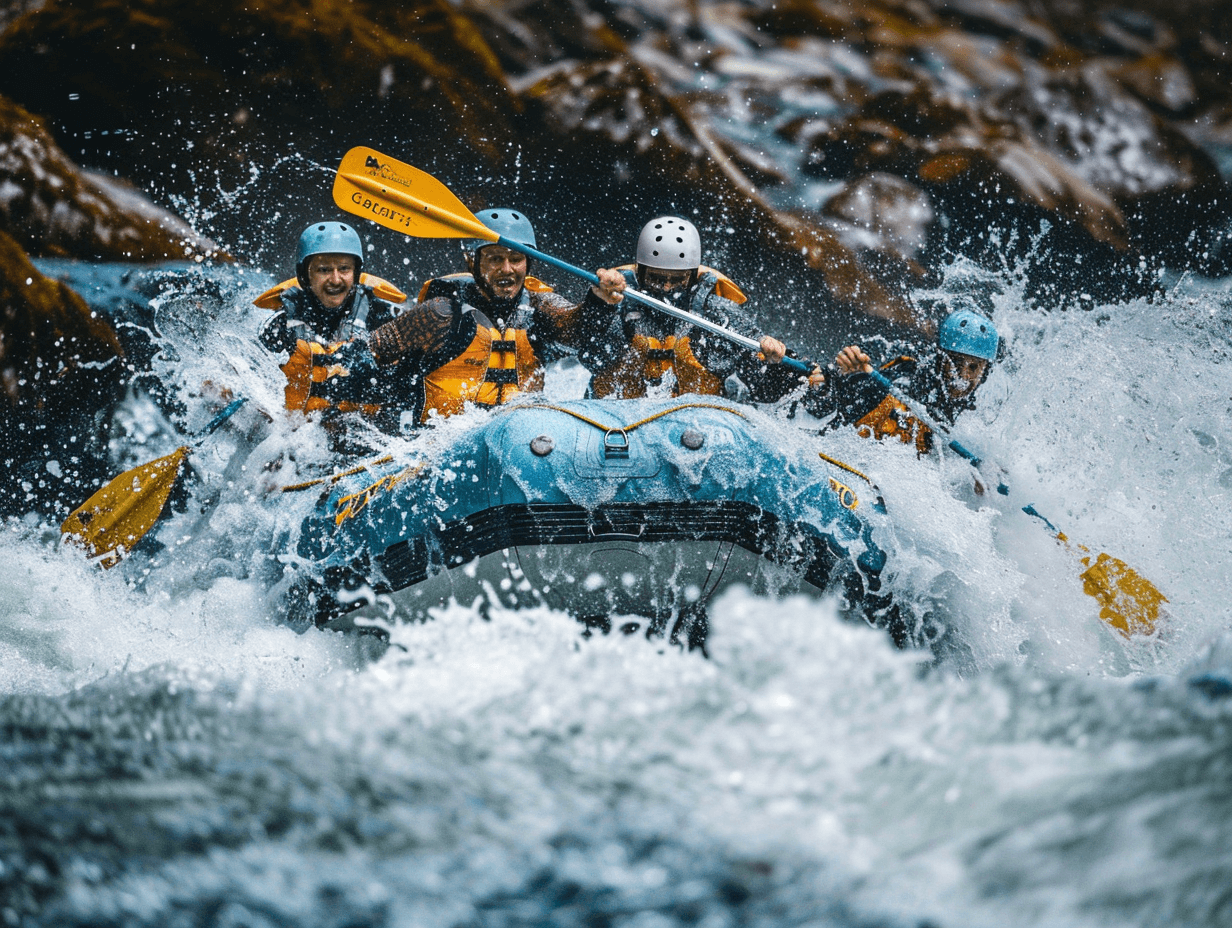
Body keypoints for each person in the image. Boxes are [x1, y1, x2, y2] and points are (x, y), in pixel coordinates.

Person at [365, 208, 601, 423]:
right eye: (495, 258)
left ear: (529, 264)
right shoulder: (440, 312)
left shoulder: (540, 306)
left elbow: (579, 330)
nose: (507, 269)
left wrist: (600, 300)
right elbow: (365, 354)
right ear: (472, 261)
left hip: (517, 440)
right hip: (444, 446)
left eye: (516, 259)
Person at [581, 216, 806, 402]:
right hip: (616, 416)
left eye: (677, 280)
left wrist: (776, 361)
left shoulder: (717, 311)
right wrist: (597, 304)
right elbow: (589, 354)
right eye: (657, 279)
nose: (667, 287)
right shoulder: (616, 300)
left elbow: (760, 378)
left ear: (692, 276)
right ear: (640, 272)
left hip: (696, 425)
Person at [254, 221, 408, 440]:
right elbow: (252, 384)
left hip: (370, 439)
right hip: (296, 443)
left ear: (356, 272)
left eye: (344, 269)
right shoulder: (279, 327)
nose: (335, 280)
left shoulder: (385, 318)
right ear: (305, 275)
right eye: (324, 270)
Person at [814, 307, 1000, 455]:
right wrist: (843, 375)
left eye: (973, 367)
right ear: (940, 359)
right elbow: (856, 393)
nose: (963, 376)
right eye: (956, 363)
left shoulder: (974, 414)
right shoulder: (905, 380)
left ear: (985, 372)